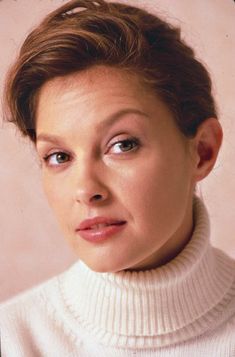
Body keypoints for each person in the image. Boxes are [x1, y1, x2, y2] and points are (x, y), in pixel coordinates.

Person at [0, 0, 234, 356]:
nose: (85, 190)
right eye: (59, 156)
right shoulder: (14, 339)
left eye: (122, 145)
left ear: (202, 151)